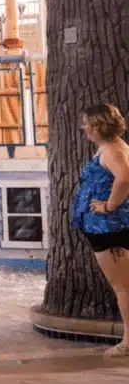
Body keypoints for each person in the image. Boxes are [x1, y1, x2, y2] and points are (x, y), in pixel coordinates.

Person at [71, 103, 129, 355]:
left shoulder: (113, 151)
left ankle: (128, 343)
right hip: (104, 228)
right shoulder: (111, 148)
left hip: (110, 228)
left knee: (123, 287)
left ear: (98, 125)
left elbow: (125, 177)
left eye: (87, 123)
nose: (83, 128)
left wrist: (108, 206)